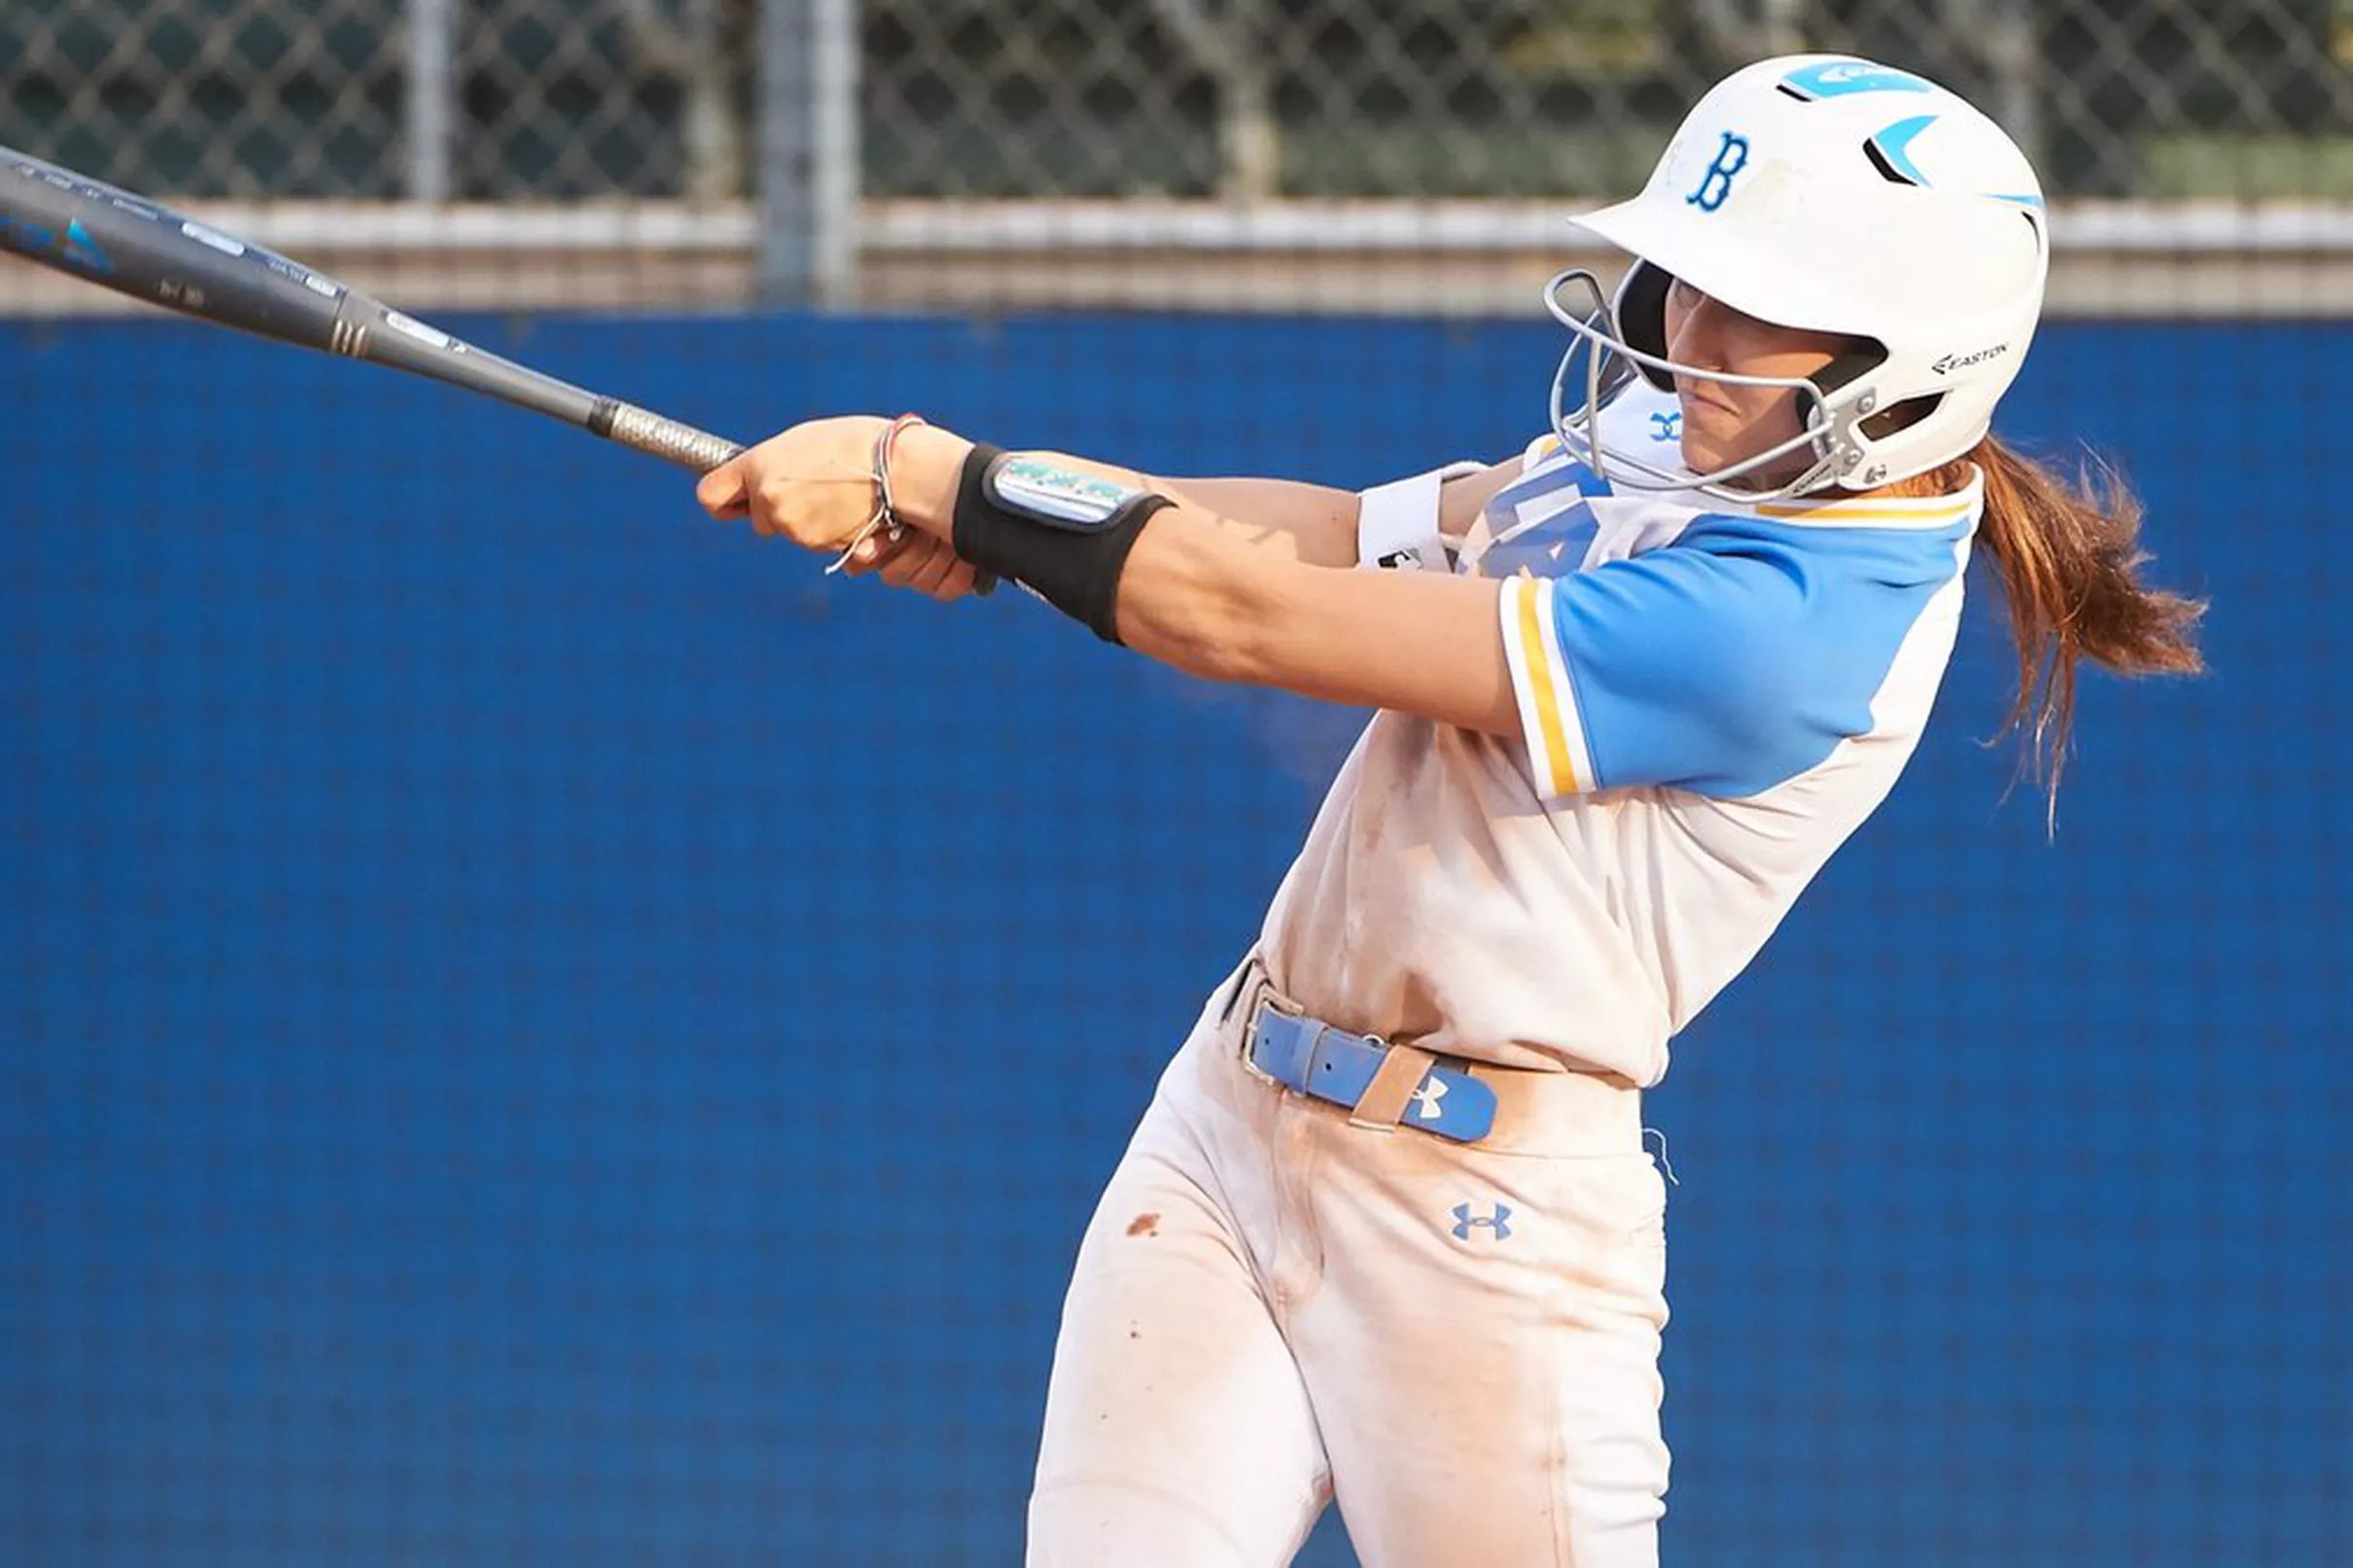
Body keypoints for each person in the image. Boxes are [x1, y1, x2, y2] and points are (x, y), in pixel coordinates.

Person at [696, 53, 2202, 1568]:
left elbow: (1258, 622)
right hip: (1226, 1129)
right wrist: (1002, 508)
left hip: (1485, 1230)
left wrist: (944, 481)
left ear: (1914, 360)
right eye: (1687, 280)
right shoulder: (1696, 445)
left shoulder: (1796, 621)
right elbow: (1338, 541)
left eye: (1761, 307)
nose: (1694, 335)